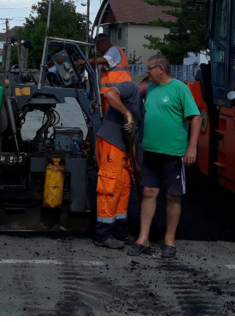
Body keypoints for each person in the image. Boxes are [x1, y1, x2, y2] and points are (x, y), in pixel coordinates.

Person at [126, 55, 201, 259]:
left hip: (174, 152)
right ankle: (143, 238)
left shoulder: (180, 88)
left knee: (172, 196)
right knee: (149, 192)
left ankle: (169, 240)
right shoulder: (150, 88)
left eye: (150, 68)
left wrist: (192, 147)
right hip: (151, 151)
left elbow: (195, 117)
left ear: (161, 69)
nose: (147, 71)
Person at [93, 80, 142, 249]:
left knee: (123, 189)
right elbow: (109, 94)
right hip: (111, 145)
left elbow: (134, 136)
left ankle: (119, 230)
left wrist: (134, 162)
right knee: (110, 188)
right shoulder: (131, 87)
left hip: (123, 151)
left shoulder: (143, 103)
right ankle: (102, 234)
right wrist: (126, 112)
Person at [75, 34, 132, 112]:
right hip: (109, 94)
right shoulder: (108, 53)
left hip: (116, 93)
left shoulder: (114, 50)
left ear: (103, 41)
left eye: (97, 45)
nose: (97, 48)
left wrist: (84, 62)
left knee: (112, 119)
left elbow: (104, 60)